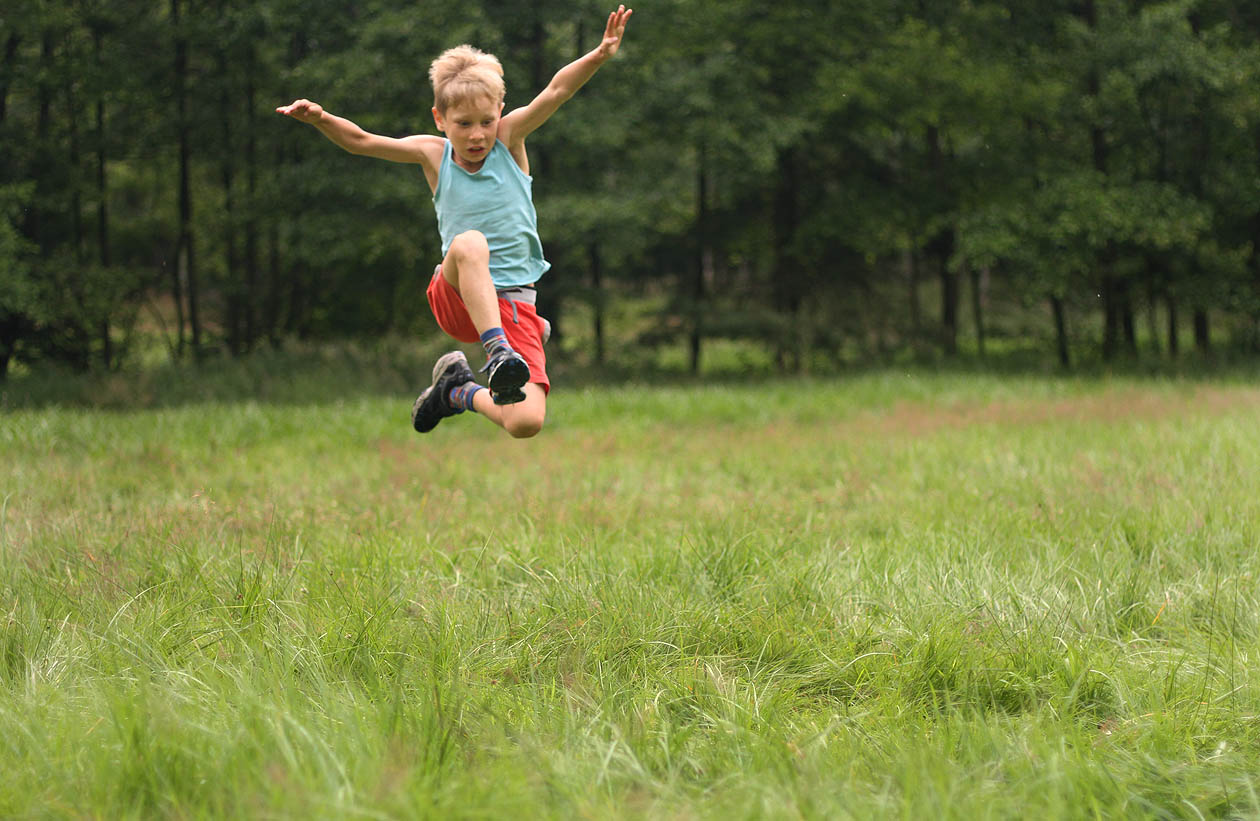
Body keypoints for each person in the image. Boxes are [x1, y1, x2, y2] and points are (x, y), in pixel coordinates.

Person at [276, 6, 633, 439]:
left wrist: (599, 54)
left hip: (515, 303)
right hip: (457, 295)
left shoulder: (509, 140)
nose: (477, 135)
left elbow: (557, 91)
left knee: (525, 422)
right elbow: (362, 141)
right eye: (463, 124)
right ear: (440, 119)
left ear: (500, 111)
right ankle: (497, 353)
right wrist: (321, 118)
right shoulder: (433, 154)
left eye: (486, 121)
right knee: (470, 243)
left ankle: (456, 391)